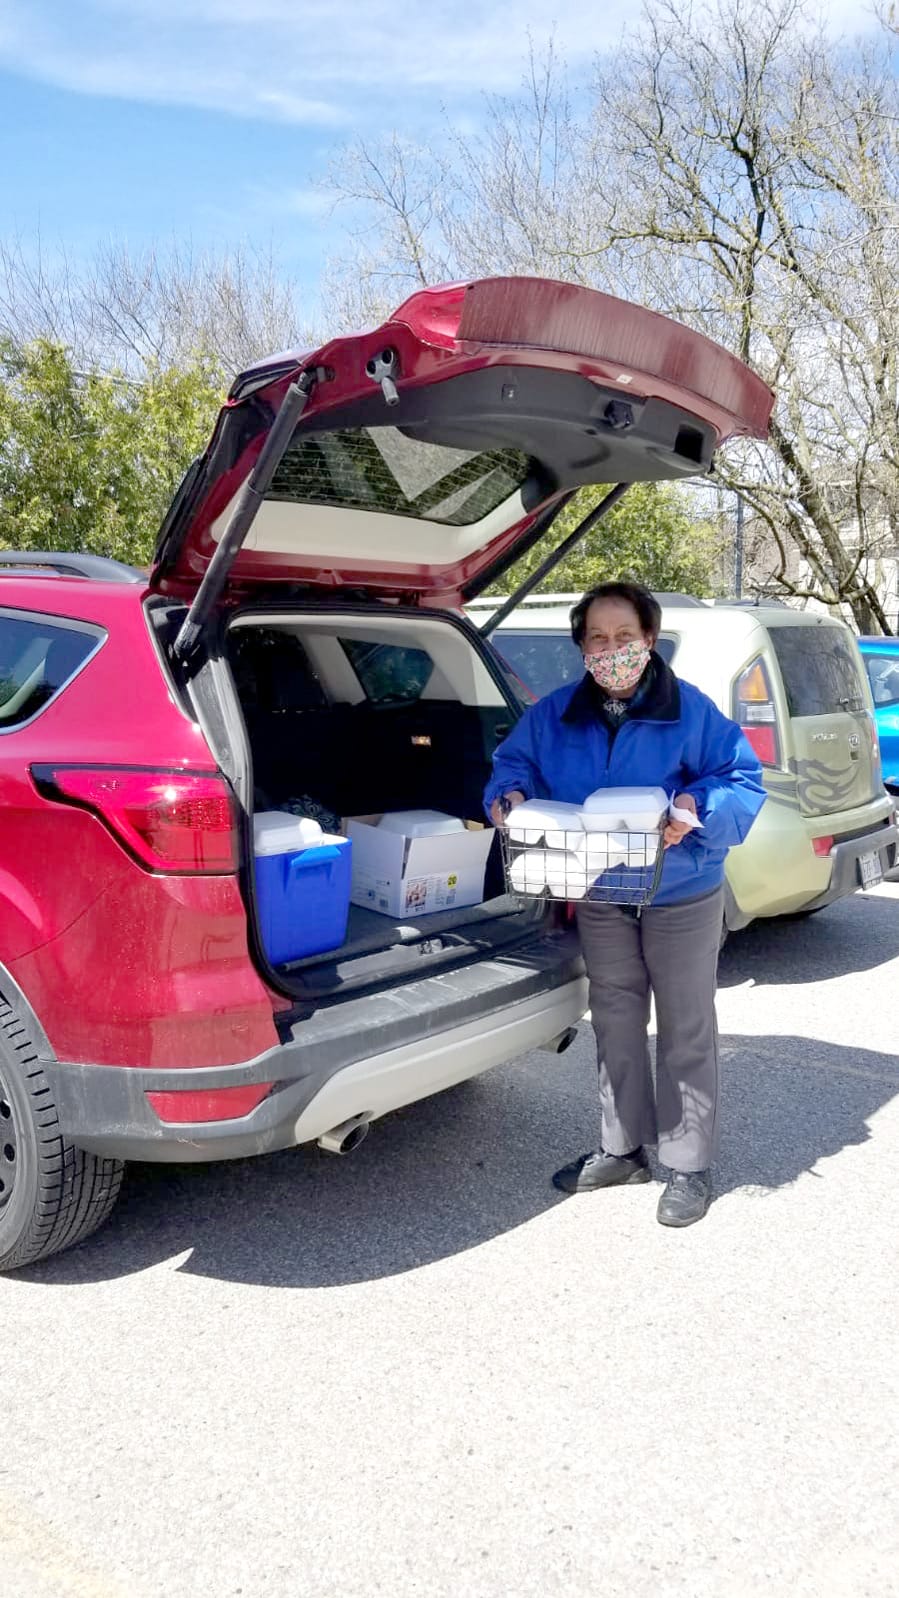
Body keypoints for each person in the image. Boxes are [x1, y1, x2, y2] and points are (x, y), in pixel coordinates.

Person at [485, 581, 766, 1227]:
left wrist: (697, 809)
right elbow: (509, 770)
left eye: (624, 638)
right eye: (597, 639)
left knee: (685, 1027)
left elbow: (739, 778)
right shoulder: (553, 714)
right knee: (612, 1019)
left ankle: (687, 1165)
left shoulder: (688, 710)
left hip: (681, 890)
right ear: (580, 647)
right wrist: (508, 801)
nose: (611, 651)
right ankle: (620, 1150)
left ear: (648, 639)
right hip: (599, 892)